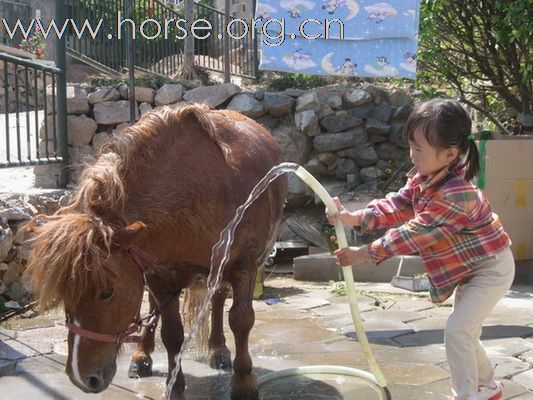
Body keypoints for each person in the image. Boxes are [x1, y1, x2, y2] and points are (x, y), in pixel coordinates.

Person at [327, 99, 514, 400]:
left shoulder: (457, 193)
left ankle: (467, 395)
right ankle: (488, 388)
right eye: (411, 146)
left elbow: (415, 232)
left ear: (450, 154)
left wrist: (366, 253)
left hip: (491, 268)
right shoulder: (425, 179)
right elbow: (398, 205)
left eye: (419, 149)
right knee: (465, 332)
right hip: (470, 269)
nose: (411, 155)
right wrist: (355, 217)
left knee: (458, 332)